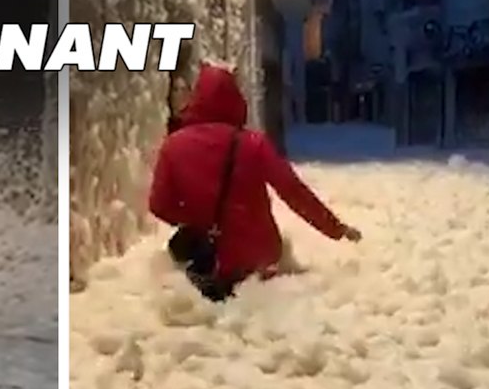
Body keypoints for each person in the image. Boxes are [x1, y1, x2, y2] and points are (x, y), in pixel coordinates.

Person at [149, 63, 362, 302]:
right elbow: (293, 191)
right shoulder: (253, 143)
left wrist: (197, 218)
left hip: (208, 261)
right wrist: (335, 228)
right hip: (259, 260)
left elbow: (159, 206)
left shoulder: (173, 146)